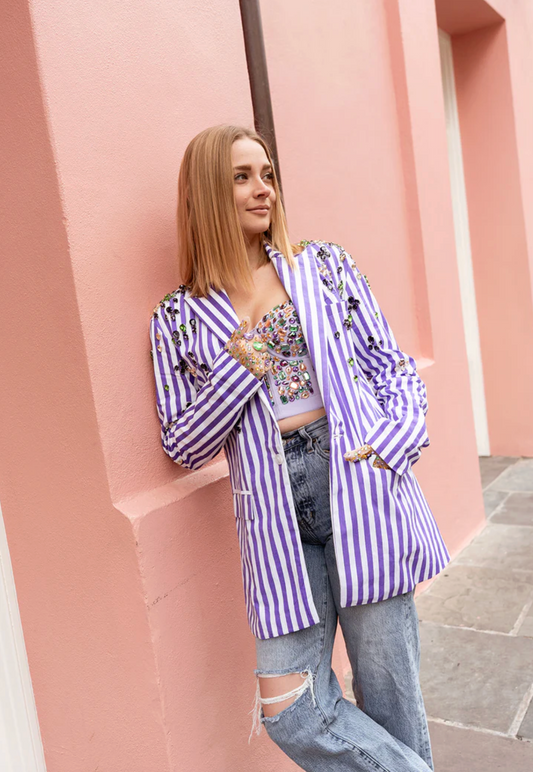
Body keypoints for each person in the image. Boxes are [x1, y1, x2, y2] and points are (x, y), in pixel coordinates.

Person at [149, 123, 450, 772]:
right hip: (275, 508)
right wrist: (241, 367)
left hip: (356, 480)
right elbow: (183, 442)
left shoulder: (325, 267)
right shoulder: (178, 317)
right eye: (241, 177)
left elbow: (389, 367)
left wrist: (386, 446)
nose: (263, 189)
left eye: (267, 175)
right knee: (290, 705)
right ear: (204, 192)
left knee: (388, 697)